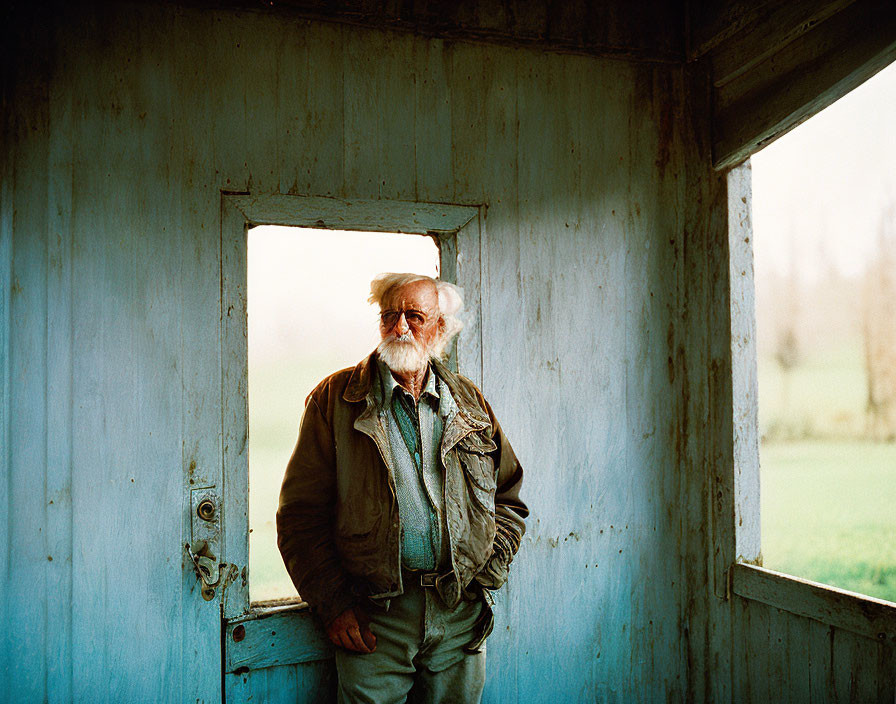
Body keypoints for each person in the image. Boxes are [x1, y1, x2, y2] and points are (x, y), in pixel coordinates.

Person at [277, 272, 528, 703]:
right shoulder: (335, 400)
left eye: (414, 316)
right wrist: (334, 604)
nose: (400, 328)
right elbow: (300, 516)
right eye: (389, 315)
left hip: (459, 613)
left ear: (440, 329)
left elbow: (507, 496)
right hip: (376, 619)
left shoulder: (469, 402)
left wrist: (486, 567)